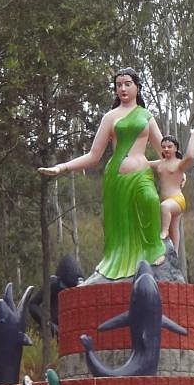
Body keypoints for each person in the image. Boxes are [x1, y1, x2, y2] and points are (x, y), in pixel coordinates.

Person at [38, 68, 166, 279]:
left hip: (142, 174)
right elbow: (93, 156)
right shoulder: (110, 117)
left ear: (137, 87)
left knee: (150, 199)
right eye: (118, 85)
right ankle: (121, 260)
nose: (123, 88)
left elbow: (165, 151)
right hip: (117, 178)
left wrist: (177, 170)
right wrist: (62, 167)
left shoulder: (146, 116)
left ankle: (153, 248)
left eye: (127, 83)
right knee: (121, 226)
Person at [148, 125, 194, 251]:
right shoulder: (160, 164)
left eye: (169, 146)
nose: (166, 149)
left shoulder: (179, 164)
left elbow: (190, 157)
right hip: (166, 200)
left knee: (165, 207)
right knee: (174, 228)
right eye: (164, 147)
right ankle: (174, 253)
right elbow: (143, 164)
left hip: (177, 200)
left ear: (176, 148)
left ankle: (163, 233)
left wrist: (193, 135)